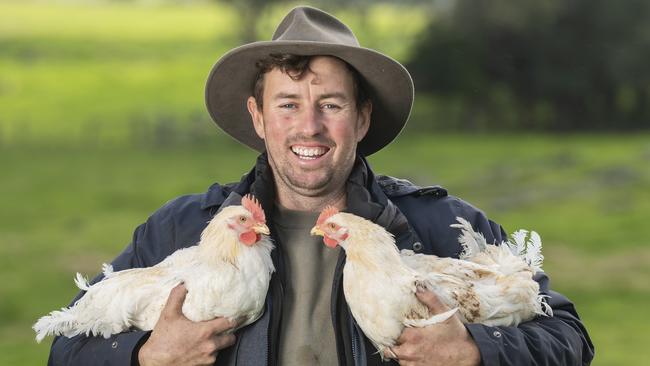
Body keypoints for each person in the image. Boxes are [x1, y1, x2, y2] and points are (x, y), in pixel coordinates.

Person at [48, 6, 594, 366]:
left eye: (329, 105)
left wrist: (476, 352)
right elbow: (66, 349)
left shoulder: (442, 226)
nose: (308, 127)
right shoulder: (180, 228)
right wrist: (146, 355)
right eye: (288, 105)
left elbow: (570, 337)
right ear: (259, 118)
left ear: (360, 119)